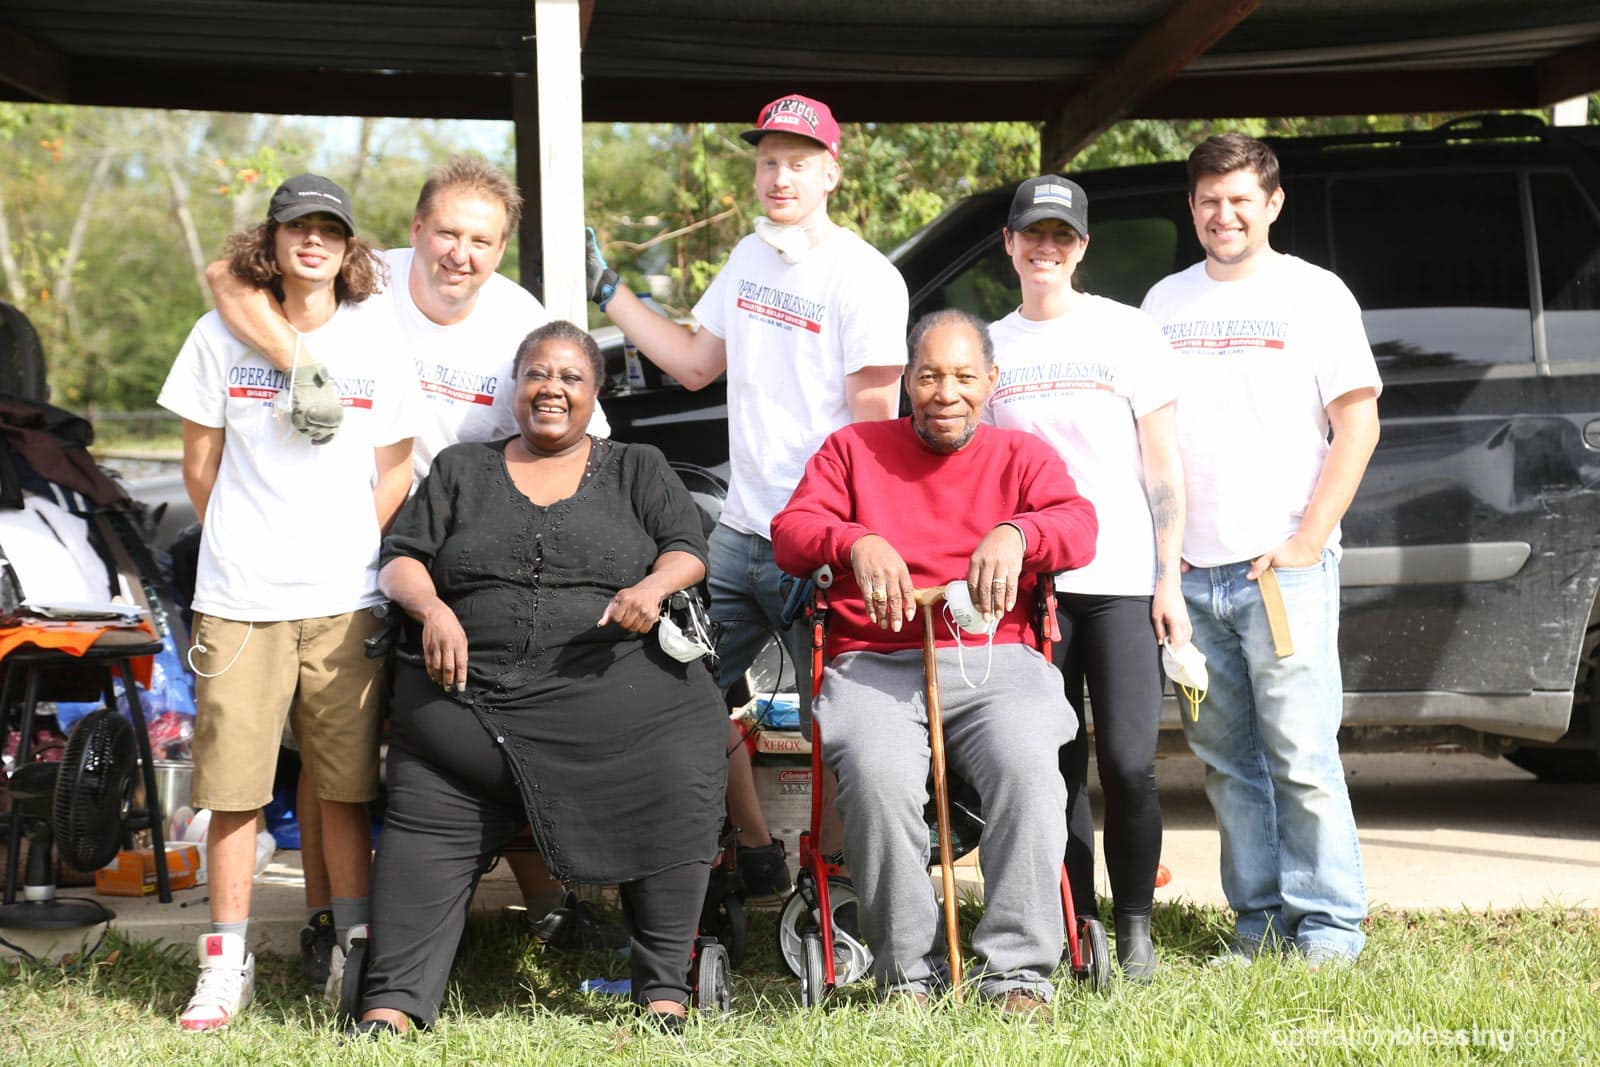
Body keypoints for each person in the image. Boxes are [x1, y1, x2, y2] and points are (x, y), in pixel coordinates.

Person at [207, 156, 607, 956]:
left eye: (482, 241)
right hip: (343, 541)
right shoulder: (367, 279)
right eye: (448, 233)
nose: (461, 253)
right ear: (416, 231)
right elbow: (225, 275)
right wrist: (300, 364)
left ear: (502, 250)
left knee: (496, 719)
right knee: (338, 744)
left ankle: (550, 904)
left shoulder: (518, 319)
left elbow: (579, 440)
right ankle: (333, 924)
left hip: (461, 550)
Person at [350, 321, 726, 1035]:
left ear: (596, 394)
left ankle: (664, 992)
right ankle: (392, 1002)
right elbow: (400, 557)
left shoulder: (638, 466)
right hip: (470, 705)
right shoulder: (460, 468)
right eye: (536, 374)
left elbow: (688, 549)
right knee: (430, 791)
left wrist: (653, 586)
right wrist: (431, 607)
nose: (551, 388)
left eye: (570, 377)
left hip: (618, 704)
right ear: (515, 387)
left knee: (684, 755)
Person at [588, 92, 908, 894]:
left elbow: (874, 432)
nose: (779, 177)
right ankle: (745, 853)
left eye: (797, 163)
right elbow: (694, 363)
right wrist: (608, 292)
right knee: (675, 690)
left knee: (837, 725)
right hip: (736, 535)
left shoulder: (866, 278)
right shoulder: (747, 257)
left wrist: (853, 538)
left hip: (821, 543)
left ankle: (827, 888)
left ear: (830, 172)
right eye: (767, 161)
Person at [770, 310, 1098, 1016]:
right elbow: (791, 533)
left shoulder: (1022, 456)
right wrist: (854, 540)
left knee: (1029, 764)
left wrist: (1018, 530)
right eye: (928, 375)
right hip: (875, 660)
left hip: (994, 658)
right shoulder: (852, 449)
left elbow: (1079, 526)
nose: (945, 392)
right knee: (880, 775)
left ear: (990, 381)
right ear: (906, 381)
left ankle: (1018, 971)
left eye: (962, 376)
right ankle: (907, 974)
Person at [157, 174, 417, 1031]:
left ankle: (353, 950)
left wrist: (343, 543)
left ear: (350, 252)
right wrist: (248, 539)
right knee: (233, 792)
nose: (314, 242)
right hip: (239, 597)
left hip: (345, 599)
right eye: (297, 228)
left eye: (329, 231)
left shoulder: (377, 337)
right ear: (268, 242)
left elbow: (394, 471)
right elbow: (201, 466)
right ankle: (223, 966)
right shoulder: (215, 335)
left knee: (344, 789)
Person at [1140, 133, 1381, 966]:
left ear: (1272, 204)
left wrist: (1307, 540)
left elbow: (1359, 420)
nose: (1224, 214)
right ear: (1193, 206)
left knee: (1303, 754)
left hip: (1280, 572)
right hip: (1193, 578)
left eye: (1240, 198)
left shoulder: (1316, 296)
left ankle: (1330, 927)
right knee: (1225, 763)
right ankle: (1260, 921)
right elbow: (1149, 440)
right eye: (1209, 199)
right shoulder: (1162, 303)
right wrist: (1164, 569)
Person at [984, 175, 1190, 980]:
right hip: (1033, 591)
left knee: (1131, 762)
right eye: (1031, 234)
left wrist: (1168, 578)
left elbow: (1164, 464)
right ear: (1007, 244)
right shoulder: (990, 347)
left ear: (1082, 248)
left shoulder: (1126, 332)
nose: (1046, 248)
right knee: (1052, 763)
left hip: (1123, 581)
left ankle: (1134, 924)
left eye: (1061, 237)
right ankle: (1078, 923)